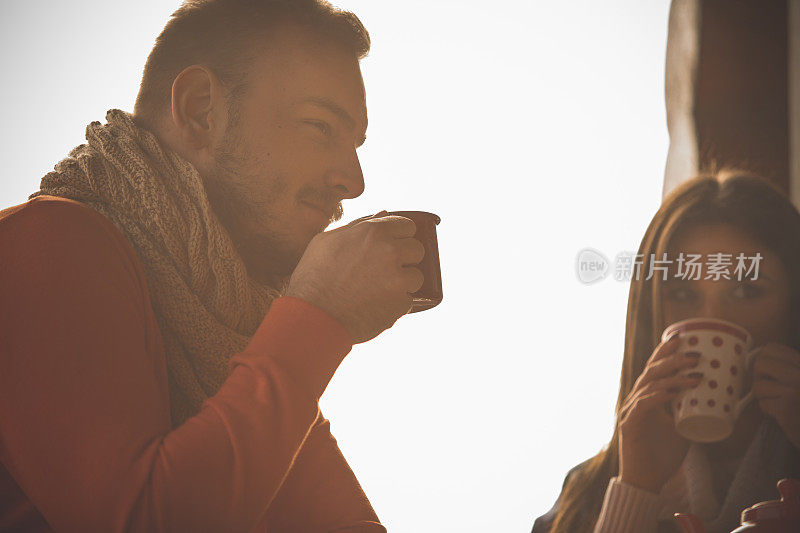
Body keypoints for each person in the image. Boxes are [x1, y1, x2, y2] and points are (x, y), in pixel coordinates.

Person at [0, 1, 425, 531]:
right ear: (202, 109)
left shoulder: (234, 327)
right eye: (320, 128)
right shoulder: (46, 241)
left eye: (355, 146)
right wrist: (319, 317)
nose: (354, 181)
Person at [532, 170, 800, 533]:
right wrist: (635, 489)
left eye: (747, 291)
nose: (712, 320)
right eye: (683, 294)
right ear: (652, 314)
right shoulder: (585, 495)